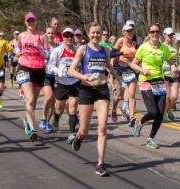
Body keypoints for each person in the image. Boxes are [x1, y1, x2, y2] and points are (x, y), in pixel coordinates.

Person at [68, 22, 120, 176]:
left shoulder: (106, 50)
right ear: (88, 34)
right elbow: (71, 70)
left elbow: (109, 66)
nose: (96, 35)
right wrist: (83, 76)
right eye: (93, 33)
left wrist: (118, 79)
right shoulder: (83, 49)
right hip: (86, 90)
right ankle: (79, 136)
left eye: (98, 32)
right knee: (84, 128)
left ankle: (100, 164)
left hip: (102, 90)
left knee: (102, 127)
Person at [130, 23, 177, 149]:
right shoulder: (143, 48)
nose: (155, 34)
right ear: (148, 33)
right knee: (153, 111)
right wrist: (142, 70)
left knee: (161, 113)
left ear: (160, 33)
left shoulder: (164, 48)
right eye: (152, 32)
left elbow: (171, 61)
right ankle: (140, 122)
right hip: (145, 81)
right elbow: (133, 64)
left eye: (157, 32)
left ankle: (150, 139)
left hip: (159, 82)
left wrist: (173, 67)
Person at [17, 12, 49, 142]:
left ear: (36, 21)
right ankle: (33, 130)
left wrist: (39, 47)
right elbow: (18, 48)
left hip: (39, 70)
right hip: (24, 68)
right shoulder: (21, 36)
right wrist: (17, 53)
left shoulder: (42, 36)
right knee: (29, 100)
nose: (31, 23)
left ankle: (26, 119)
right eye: (28, 21)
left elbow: (47, 55)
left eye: (33, 21)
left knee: (33, 102)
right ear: (25, 22)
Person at [47, 27, 79, 143]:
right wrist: (58, 71)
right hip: (61, 83)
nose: (69, 38)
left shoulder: (77, 50)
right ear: (63, 37)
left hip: (75, 83)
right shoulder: (57, 50)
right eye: (66, 36)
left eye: (71, 36)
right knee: (59, 108)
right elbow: (49, 66)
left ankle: (71, 133)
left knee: (72, 108)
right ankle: (56, 118)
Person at [111, 25, 137, 124]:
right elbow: (112, 54)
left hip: (131, 70)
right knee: (119, 95)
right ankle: (114, 109)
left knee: (132, 94)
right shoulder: (120, 41)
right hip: (121, 70)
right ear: (123, 32)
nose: (130, 33)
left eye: (131, 31)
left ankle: (131, 117)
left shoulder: (135, 43)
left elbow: (140, 54)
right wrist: (121, 53)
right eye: (128, 31)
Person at [38, 27, 57, 133]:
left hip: (56, 76)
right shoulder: (42, 46)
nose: (50, 35)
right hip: (45, 75)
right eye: (48, 33)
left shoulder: (58, 47)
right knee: (48, 96)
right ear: (45, 34)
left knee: (53, 101)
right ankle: (44, 118)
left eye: (52, 33)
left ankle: (48, 122)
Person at [162, 28, 180, 122]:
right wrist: (161, 67)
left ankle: (168, 109)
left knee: (175, 96)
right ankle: (164, 114)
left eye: (172, 35)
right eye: (169, 35)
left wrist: (179, 65)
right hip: (164, 74)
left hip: (174, 73)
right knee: (167, 95)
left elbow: (177, 58)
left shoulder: (175, 45)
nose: (170, 37)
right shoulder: (161, 46)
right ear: (164, 35)